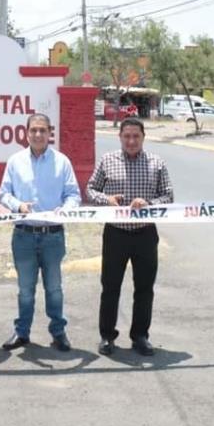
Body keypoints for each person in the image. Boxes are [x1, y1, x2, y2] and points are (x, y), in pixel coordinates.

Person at [86, 118, 174, 357]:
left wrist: (149, 203)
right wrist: (108, 199)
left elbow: (168, 196)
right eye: (127, 136)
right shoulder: (108, 161)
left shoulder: (156, 163)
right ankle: (107, 336)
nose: (131, 141)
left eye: (136, 136)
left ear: (143, 137)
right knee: (110, 287)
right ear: (120, 137)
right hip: (116, 233)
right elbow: (90, 189)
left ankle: (140, 336)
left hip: (145, 233)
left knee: (144, 288)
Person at [0, 113, 81, 352]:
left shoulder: (62, 162)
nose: (37, 134)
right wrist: (18, 206)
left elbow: (73, 195)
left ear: (49, 133)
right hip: (23, 235)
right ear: (26, 133)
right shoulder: (15, 161)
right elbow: (4, 193)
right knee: (25, 289)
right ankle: (22, 332)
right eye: (33, 130)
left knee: (54, 288)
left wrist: (65, 210)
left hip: (53, 235)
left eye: (42, 130)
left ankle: (58, 332)